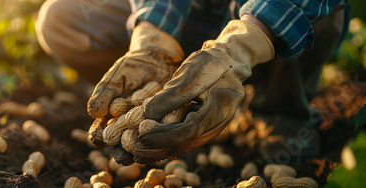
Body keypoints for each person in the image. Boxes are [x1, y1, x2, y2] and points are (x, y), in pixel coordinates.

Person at [35, 0, 350, 164]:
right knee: (62, 18)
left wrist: (242, 46)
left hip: (272, 25)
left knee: (326, 9)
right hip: (197, 16)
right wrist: (152, 35)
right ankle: (171, 95)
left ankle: (278, 110)